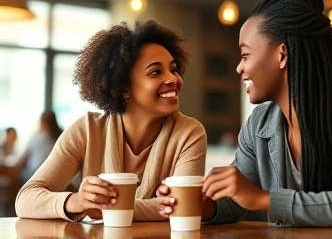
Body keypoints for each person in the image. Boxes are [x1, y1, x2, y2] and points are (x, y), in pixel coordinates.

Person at [157, 0, 332, 227]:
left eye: (245, 55)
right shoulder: (260, 123)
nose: (239, 67)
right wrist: (203, 206)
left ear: (282, 55)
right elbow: (237, 201)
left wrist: (262, 198)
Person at [15, 20, 207, 221]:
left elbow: (182, 205)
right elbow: (25, 199)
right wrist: (77, 201)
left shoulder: (189, 133)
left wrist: (109, 209)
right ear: (123, 88)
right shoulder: (87, 130)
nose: (173, 79)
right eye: (156, 72)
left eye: (174, 69)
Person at [21, 110, 63, 182]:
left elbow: (24, 158)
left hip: (35, 174)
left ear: (42, 122)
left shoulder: (36, 137)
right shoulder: (61, 136)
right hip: (56, 175)